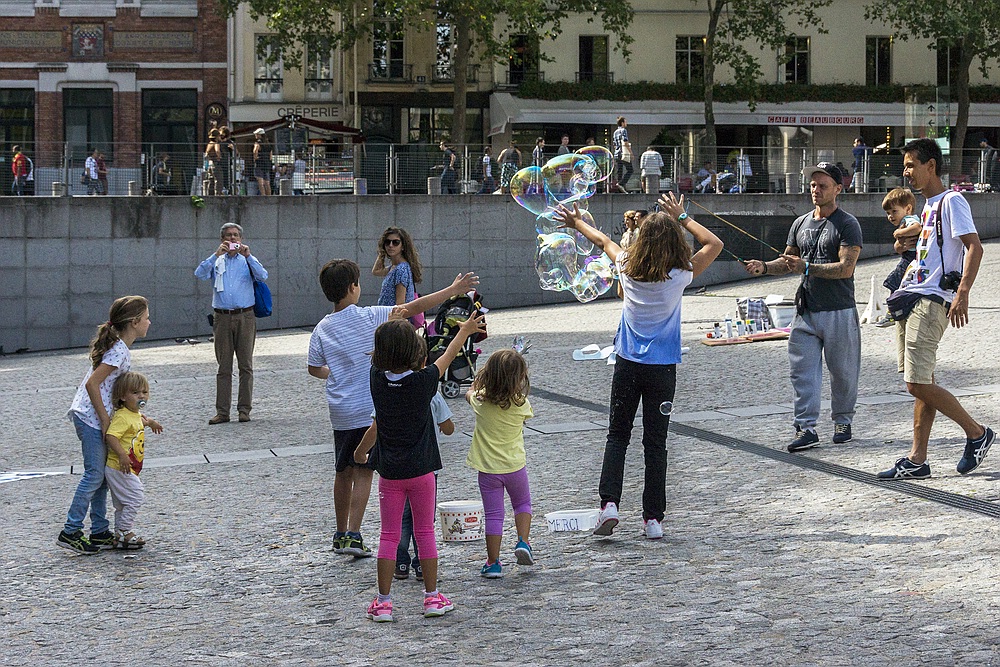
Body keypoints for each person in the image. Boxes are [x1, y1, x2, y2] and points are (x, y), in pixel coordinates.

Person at [554, 193, 723, 539]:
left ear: (642, 239)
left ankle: (610, 505)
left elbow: (602, 241)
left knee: (618, 435)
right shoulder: (681, 275)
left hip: (628, 364)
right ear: (675, 243)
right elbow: (714, 243)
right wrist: (682, 216)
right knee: (655, 443)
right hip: (662, 369)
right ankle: (653, 520)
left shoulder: (627, 267)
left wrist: (575, 222)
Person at [307, 261, 479, 560]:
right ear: (353, 288)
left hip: (340, 410)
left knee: (342, 470)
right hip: (367, 409)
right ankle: (354, 534)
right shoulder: (369, 315)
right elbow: (414, 307)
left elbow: (313, 368)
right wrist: (453, 290)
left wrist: (333, 375)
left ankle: (338, 533)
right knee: (363, 472)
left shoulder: (322, 327)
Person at [354, 313, 487, 622]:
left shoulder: (376, 379)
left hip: (390, 473)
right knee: (425, 531)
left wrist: (361, 452)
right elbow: (447, 357)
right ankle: (431, 598)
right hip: (423, 472)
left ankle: (384, 603)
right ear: (416, 354)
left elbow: (380, 361)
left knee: (388, 535)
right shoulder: (423, 383)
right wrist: (464, 330)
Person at [877, 138, 993, 480]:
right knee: (921, 380)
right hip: (912, 298)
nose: (907, 172)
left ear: (931, 166)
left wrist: (963, 292)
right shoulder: (926, 208)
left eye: (912, 165)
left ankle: (977, 433)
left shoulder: (951, 200)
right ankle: (917, 459)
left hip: (931, 300)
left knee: (916, 383)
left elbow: (974, 247)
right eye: (905, 166)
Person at [744, 162, 863, 452]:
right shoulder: (800, 223)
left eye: (822, 185)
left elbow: (846, 268)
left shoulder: (848, 224)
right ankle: (805, 427)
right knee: (802, 373)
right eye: (812, 184)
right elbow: (787, 262)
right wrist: (764, 267)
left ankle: (843, 421)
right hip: (806, 311)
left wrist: (807, 266)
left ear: (838, 188)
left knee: (843, 372)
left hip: (839, 310)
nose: (815, 189)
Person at [57, 296, 153, 555]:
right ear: (134, 322)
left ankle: (99, 531)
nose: (149, 322)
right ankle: (71, 530)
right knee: (94, 475)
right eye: (146, 318)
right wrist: (104, 419)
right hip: (89, 418)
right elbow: (93, 384)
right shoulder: (118, 351)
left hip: (93, 417)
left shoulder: (121, 348)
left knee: (100, 477)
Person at [465, 349, 535, 578]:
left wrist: (477, 383)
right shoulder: (521, 404)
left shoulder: (480, 401)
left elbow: (470, 394)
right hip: (515, 466)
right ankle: (523, 542)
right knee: (522, 504)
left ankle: (493, 562)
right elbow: (525, 418)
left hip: (488, 470)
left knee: (494, 514)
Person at [194, 223, 268, 425]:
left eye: (236, 235)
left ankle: (244, 410)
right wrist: (214, 255)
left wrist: (249, 256)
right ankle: (222, 412)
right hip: (222, 317)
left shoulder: (247, 259)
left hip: (245, 316)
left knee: (246, 365)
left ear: (241, 238)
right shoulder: (217, 260)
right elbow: (199, 274)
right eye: (229, 236)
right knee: (224, 366)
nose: (233, 239)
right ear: (222, 239)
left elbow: (263, 276)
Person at [395, 379, 454, 581]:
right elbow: (448, 428)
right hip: (427, 466)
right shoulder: (433, 395)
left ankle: (400, 562)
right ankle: (421, 563)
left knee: (402, 518)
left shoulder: (391, 392)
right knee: (424, 519)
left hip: (399, 467)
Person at [104, 372, 162, 550]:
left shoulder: (135, 414)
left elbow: (141, 421)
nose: (142, 396)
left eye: (144, 392)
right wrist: (121, 454)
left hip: (125, 468)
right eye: (136, 393)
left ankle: (119, 535)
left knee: (122, 503)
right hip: (119, 466)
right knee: (136, 495)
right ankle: (125, 530)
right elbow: (111, 436)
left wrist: (151, 423)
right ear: (123, 397)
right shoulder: (122, 416)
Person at [872, 188, 921, 327]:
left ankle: (893, 311)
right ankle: (894, 310)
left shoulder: (909, 219)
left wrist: (899, 232)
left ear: (908, 209)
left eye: (894, 211)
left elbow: (917, 228)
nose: (891, 216)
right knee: (898, 283)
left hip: (910, 258)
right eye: (888, 213)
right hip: (908, 255)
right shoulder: (905, 219)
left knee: (895, 281)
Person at [373, 227, 422, 316]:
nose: (391, 245)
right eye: (387, 242)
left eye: (395, 242)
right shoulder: (393, 267)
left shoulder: (401, 269)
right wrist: (382, 252)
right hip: (387, 317)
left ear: (403, 246)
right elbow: (376, 271)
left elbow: (400, 304)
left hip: (393, 320)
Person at [612, 116, 633, 193]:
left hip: (616, 153)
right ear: (622, 123)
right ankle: (621, 184)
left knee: (619, 172)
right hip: (623, 153)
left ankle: (619, 189)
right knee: (630, 170)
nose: (626, 123)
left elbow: (614, 144)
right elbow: (625, 142)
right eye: (625, 121)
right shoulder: (623, 130)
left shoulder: (615, 132)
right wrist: (631, 153)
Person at [253, 128, 272, 196]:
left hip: (259, 163)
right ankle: (269, 196)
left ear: (259, 135)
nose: (255, 135)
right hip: (266, 164)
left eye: (256, 134)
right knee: (267, 183)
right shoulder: (268, 143)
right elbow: (270, 155)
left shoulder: (258, 143)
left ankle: (263, 196)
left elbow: (255, 151)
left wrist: (255, 158)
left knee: (260, 182)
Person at [218, 127, 236, 195]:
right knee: (221, 178)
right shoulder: (219, 142)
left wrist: (233, 148)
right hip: (220, 163)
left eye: (221, 133)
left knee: (228, 178)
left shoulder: (230, 142)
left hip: (228, 163)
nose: (220, 134)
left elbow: (236, 153)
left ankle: (229, 191)